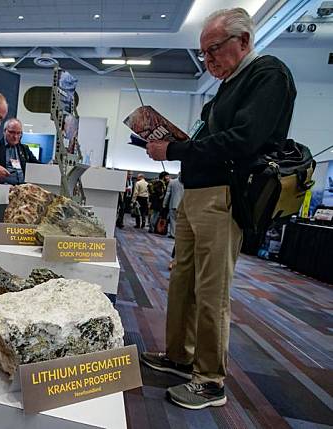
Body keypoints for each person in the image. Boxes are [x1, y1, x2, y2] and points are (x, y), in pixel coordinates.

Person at [142, 8, 296, 410]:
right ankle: (180, 356)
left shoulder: (268, 75)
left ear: (242, 41)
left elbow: (243, 140)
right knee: (182, 281)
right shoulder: (230, 84)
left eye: (213, 51)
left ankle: (210, 380)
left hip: (224, 196)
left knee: (211, 289)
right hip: (197, 193)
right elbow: (212, 137)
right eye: (203, 54)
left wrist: (175, 149)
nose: (208, 61)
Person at [0, 118, 39, 184]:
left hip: (22, 188)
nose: (15, 136)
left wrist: (49, 165)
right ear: (4, 131)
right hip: (3, 187)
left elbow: (37, 164)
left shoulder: (24, 149)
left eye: (18, 133)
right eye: (12, 132)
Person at [163, 174, 184, 238]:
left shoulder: (172, 182)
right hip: (183, 205)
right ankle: (179, 235)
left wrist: (164, 203)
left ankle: (173, 234)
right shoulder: (187, 182)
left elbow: (167, 194)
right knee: (181, 222)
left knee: (173, 220)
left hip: (173, 204)